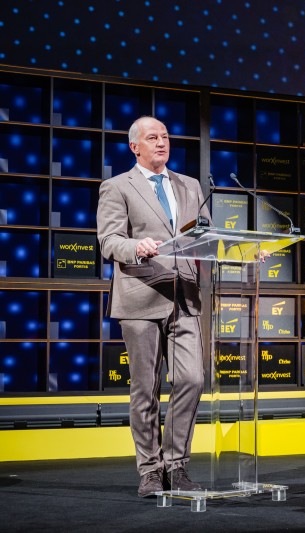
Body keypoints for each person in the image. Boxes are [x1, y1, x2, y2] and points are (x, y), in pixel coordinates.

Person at [97, 116, 210, 497]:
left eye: (164, 136)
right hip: (140, 296)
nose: (161, 142)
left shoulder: (190, 185)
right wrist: (136, 246)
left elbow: (206, 236)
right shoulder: (117, 187)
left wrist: (243, 251)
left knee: (192, 379)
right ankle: (150, 470)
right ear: (135, 147)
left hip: (185, 297)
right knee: (145, 388)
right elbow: (109, 240)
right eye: (152, 137)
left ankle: (176, 467)